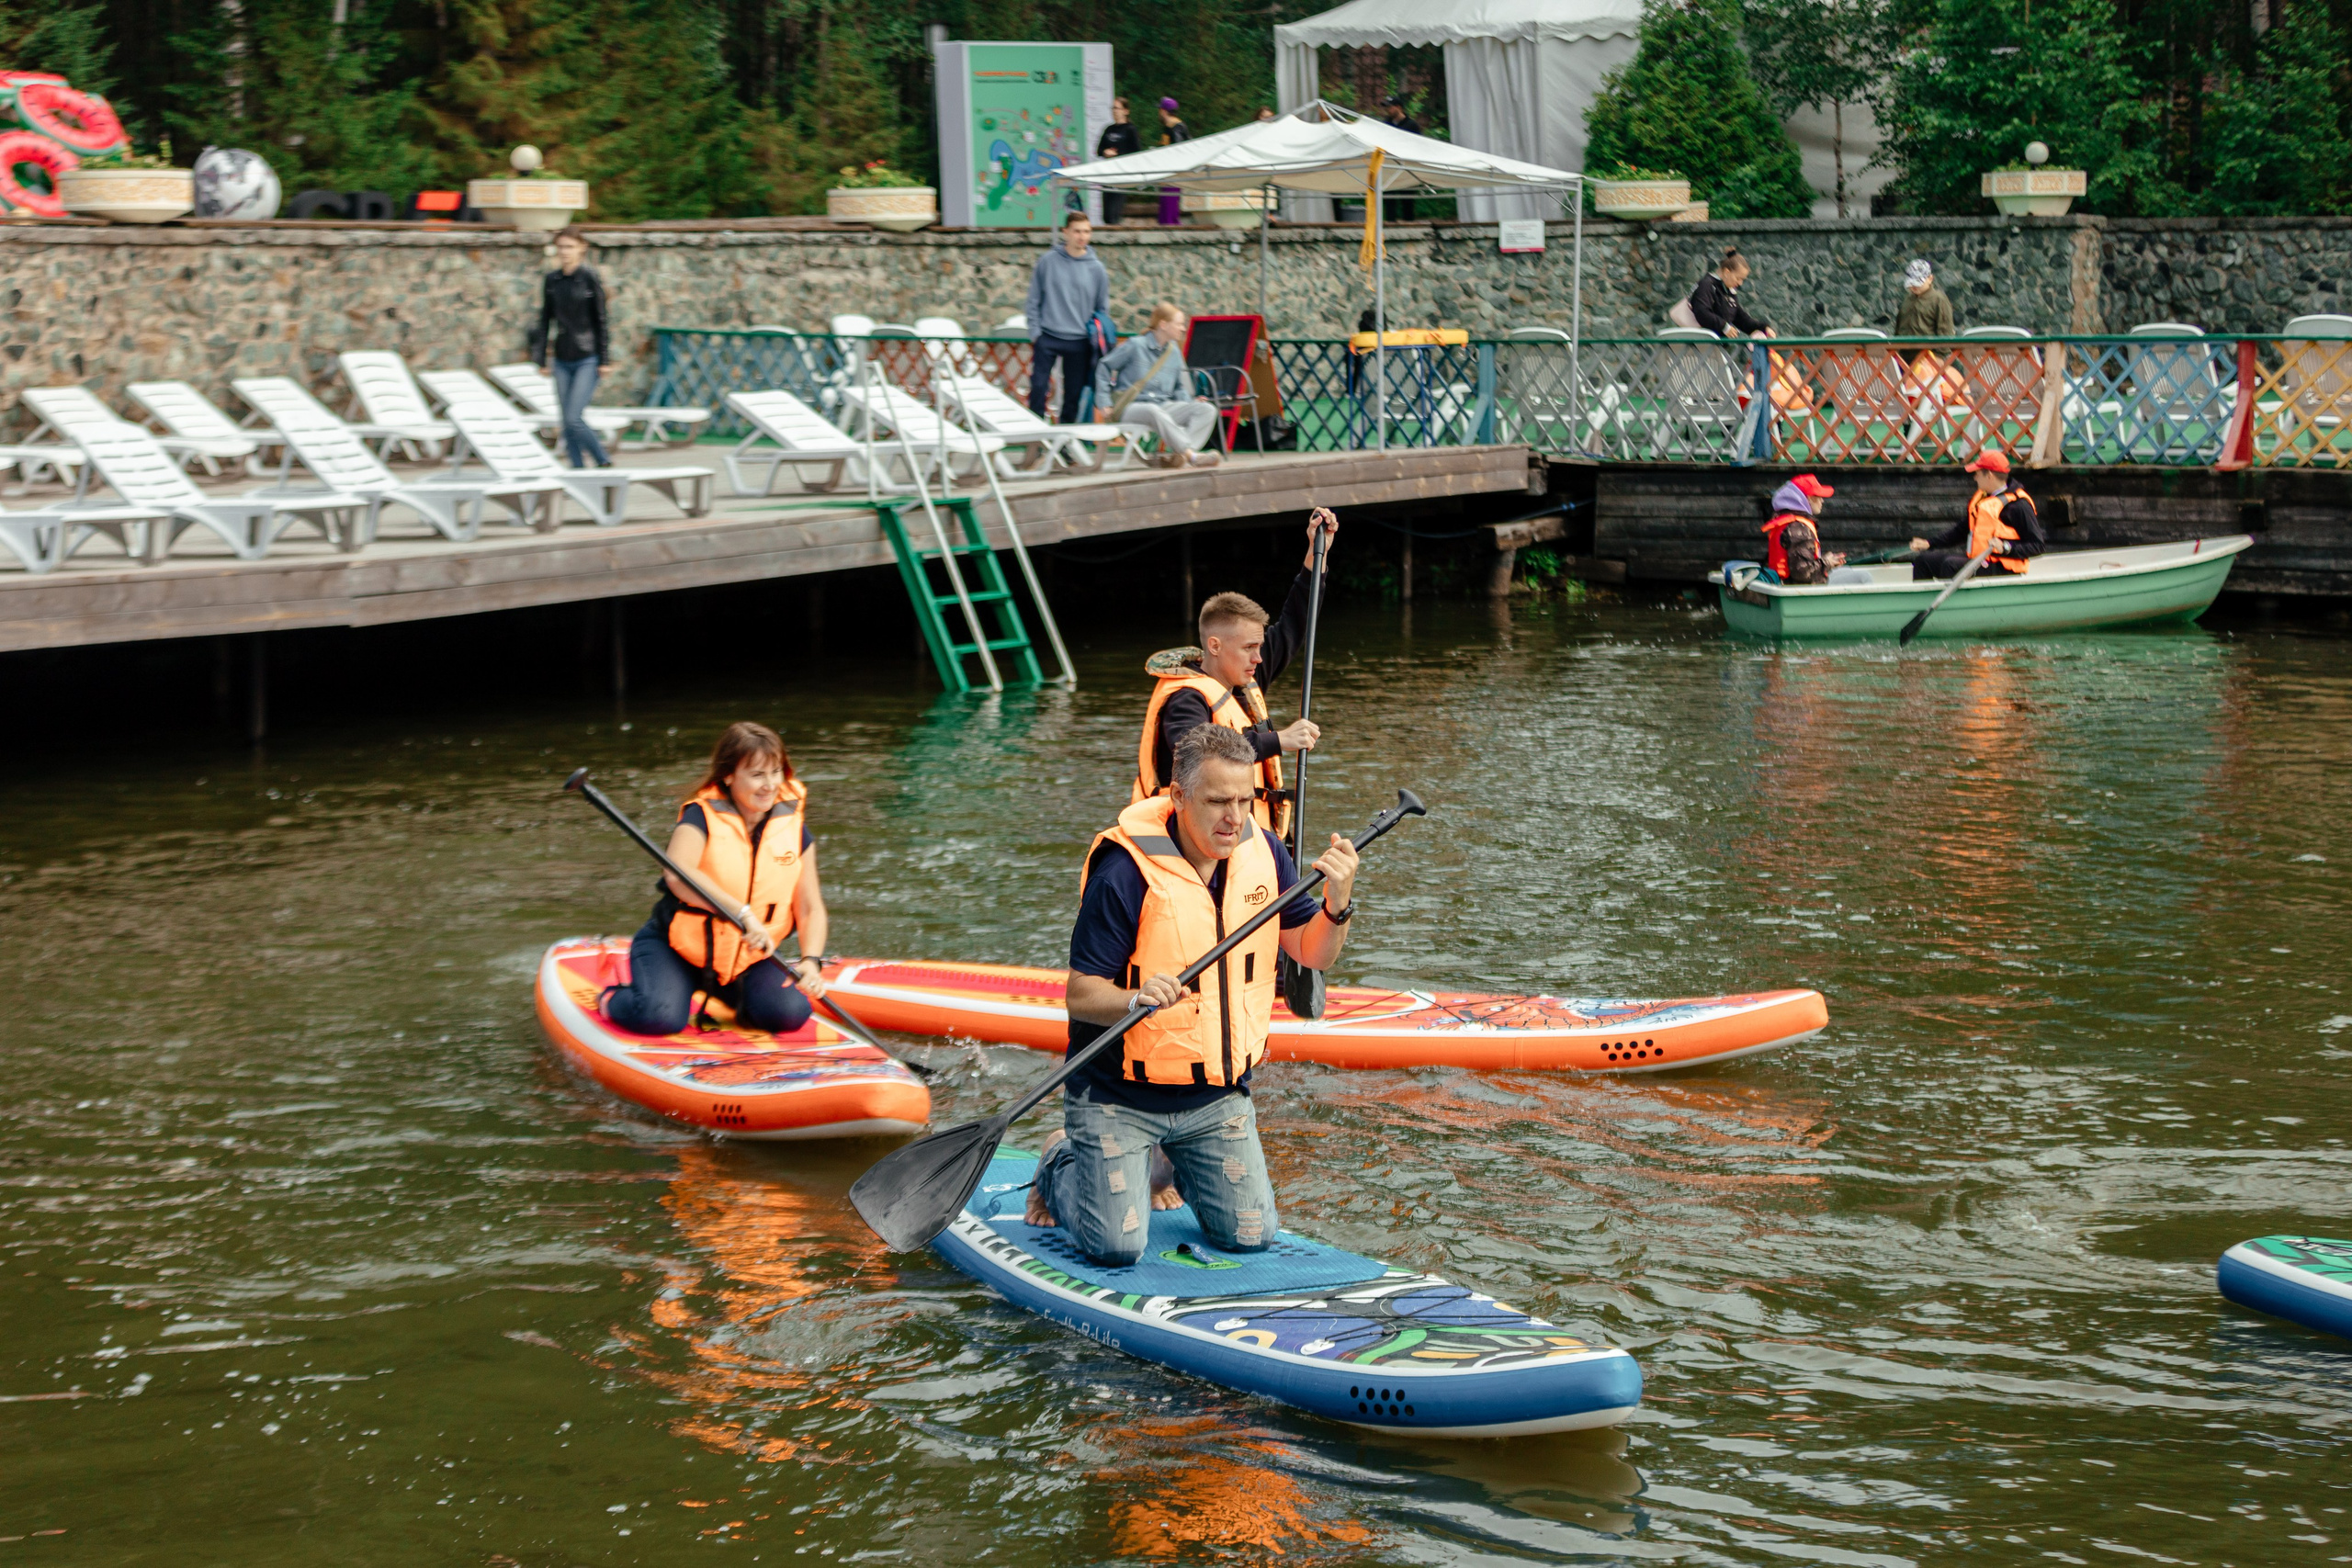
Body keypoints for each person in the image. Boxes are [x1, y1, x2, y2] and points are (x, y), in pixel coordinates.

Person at [1023, 723, 1363, 1263]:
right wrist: (1134, 999)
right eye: (1218, 801)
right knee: (1115, 1248)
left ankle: (1161, 1161)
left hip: (1215, 1095)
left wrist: (1338, 903)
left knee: (1251, 1236)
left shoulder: (1266, 853)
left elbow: (1312, 952)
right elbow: (1080, 995)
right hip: (1119, 1096)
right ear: (1179, 797)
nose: (1235, 817)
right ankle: (1060, 1163)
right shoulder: (1124, 872)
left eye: (1245, 800)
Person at [601, 722, 830, 1036]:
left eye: (776, 772)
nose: (769, 785)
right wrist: (742, 913)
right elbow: (677, 874)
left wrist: (811, 961)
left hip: (745, 961)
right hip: (676, 949)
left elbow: (810, 907)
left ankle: (737, 1001)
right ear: (729, 775)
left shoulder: (792, 827)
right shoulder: (700, 816)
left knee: (789, 1015)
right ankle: (612, 998)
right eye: (757, 774)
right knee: (659, 1017)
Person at [1134, 509, 1340, 834]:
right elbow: (1198, 756)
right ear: (1214, 646)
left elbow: (1296, 623)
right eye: (1249, 648)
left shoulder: (1246, 677)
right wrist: (1279, 740)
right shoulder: (1186, 700)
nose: (1259, 658)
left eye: (1259, 646)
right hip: (1202, 842)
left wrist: (1319, 552)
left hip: (1255, 839)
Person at [1096, 301, 1221, 468]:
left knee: (1207, 409)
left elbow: (1178, 387)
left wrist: (1190, 403)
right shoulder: (1135, 345)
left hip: (1163, 406)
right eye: (1179, 324)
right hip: (1131, 407)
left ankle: (1182, 454)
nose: (1183, 328)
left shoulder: (1174, 351)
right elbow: (1104, 365)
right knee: (1152, 410)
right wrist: (1104, 402)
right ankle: (1191, 455)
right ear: (1163, 325)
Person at [535, 226, 612, 469]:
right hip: (561, 357)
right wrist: (540, 359)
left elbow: (601, 320)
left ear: (581, 248)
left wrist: (605, 359)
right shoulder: (552, 280)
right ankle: (577, 468)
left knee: (573, 417)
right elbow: (545, 320)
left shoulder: (589, 278)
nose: (564, 252)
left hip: (587, 357)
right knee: (565, 421)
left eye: (569, 247)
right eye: (560, 247)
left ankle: (602, 458)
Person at [1025, 212, 1112, 424]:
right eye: (1077, 231)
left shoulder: (1097, 269)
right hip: (1048, 336)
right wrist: (1035, 333)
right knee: (1038, 387)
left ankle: (1063, 443)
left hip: (1080, 340)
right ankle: (1035, 437)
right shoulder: (1047, 262)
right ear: (1066, 232)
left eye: (1086, 231)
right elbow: (1033, 299)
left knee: (1073, 395)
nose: (1082, 236)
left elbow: (1102, 309)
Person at [1909, 449, 2045, 580]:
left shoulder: (2019, 505)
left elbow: (2037, 545)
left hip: (2002, 566)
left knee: (1951, 565)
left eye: (1977, 474)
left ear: (1989, 476)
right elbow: (1960, 531)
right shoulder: (1984, 498)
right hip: (1980, 561)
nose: (1974, 478)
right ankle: (1920, 603)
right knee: (1923, 561)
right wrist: (1929, 543)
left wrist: (2005, 547)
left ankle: (1955, 604)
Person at [1761, 474, 1842, 585]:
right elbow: (1802, 573)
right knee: (1862, 577)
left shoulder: (1784, 520)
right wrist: (1827, 562)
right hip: (1796, 591)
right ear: (1808, 498)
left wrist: (1826, 561)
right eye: (1818, 496)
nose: (1822, 501)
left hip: (1783, 585)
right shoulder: (1799, 528)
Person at [1682, 249, 1771, 340]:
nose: (1740, 283)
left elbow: (1741, 319)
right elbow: (1702, 312)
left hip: (1714, 347)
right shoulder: (1706, 285)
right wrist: (1724, 327)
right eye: (1738, 278)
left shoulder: (1728, 291)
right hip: (1699, 345)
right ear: (1726, 272)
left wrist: (1763, 328)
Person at [1096, 97, 1141, 225]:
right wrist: (1105, 152)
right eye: (1113, 108)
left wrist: (1118, 154)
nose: (1114, 111)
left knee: (1113, 213)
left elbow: (1137, 152)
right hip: (1107, 175)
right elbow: (1099, 150)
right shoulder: (1109, 129)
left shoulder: (1131, 129)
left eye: (1117, 108)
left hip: (1121, 175)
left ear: (1126, 111)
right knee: (1106, 215)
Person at [1894, 259, 1955, 339]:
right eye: (1912, 282)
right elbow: (1898, 329)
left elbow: (1945, 332)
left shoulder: (1939, 300)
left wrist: (1942, 350)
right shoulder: (1907, 300)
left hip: (1930, 350)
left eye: (1918, 282)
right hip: (1903, 349)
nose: (1914, 286)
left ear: (1930, 279)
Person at [1156, 97, 1189, 226]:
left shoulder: (1176, 128)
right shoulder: (1170, 127)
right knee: (1166, 209)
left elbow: (1177, 151)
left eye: (1159, 110)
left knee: (1169, 212)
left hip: (1173, 176)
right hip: (1168, 175)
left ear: (1164, 111)